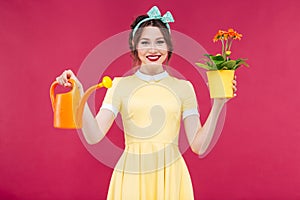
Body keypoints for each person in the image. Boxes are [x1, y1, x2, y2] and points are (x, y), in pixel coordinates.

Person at [55, 6, 237, 200]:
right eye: (145, 42)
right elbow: (93, 136)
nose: (153, 49)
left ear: (169, 46)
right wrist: (79, 94)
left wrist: (218, 104)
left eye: (160, 42)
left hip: (171, 177)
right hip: (132, 175)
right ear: (134, 45)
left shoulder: (184, 87)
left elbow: (198, 146)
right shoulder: (119, 85)